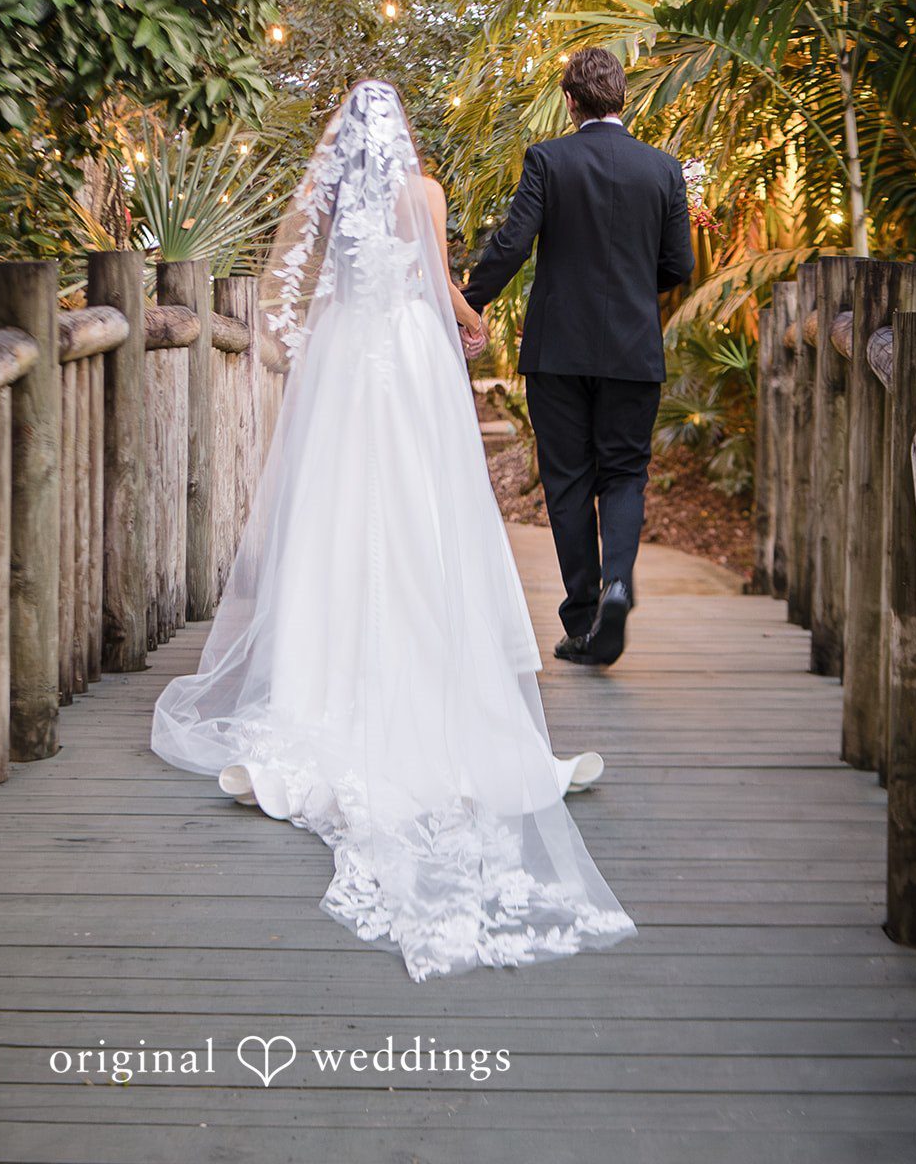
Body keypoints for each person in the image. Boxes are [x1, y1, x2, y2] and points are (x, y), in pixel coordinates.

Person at [151, 79, 635, 983]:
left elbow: (309, 277)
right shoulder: (426, 194)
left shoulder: (331, 196)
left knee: (338, 515)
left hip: (346, 356)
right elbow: (433, 275)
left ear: (344, 139)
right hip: (407, 352)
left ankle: (318, 685)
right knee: (421, 509)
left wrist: (324, 332)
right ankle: (436, 677)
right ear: (399, 133)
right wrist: (471, 319)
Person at [463, 47, 694, 667]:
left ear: (570, 101)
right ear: (623, 98)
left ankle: (582, 620)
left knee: (567, 480)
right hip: (633, 349)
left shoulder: (549, 159)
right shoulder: (663, 170)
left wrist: (465, 302)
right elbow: (679, 267)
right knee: (623, 473)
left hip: (557, 349)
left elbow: (512, 244)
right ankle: (619, 582)